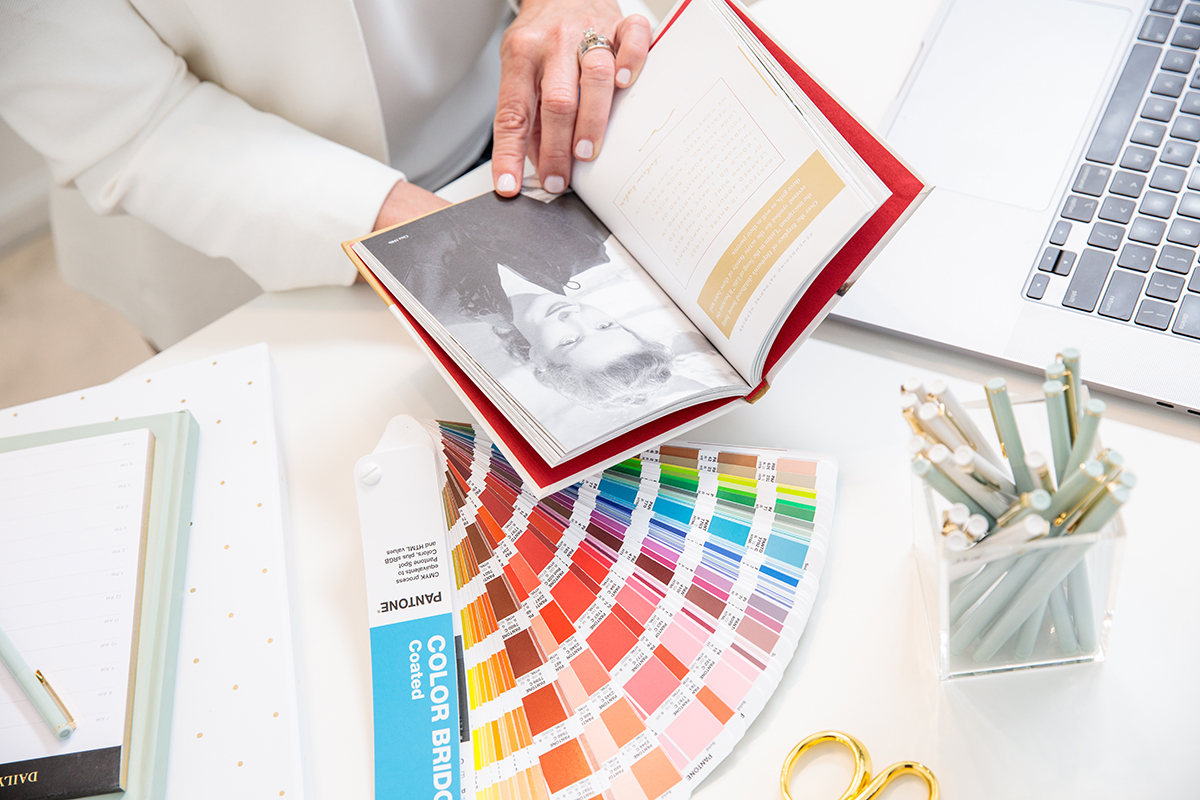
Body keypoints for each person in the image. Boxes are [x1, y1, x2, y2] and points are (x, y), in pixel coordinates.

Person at [0, 0, 652, 347]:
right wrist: (409, 229)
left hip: (502, 120)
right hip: (244, 227)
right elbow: (135, 121)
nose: (578, 322)